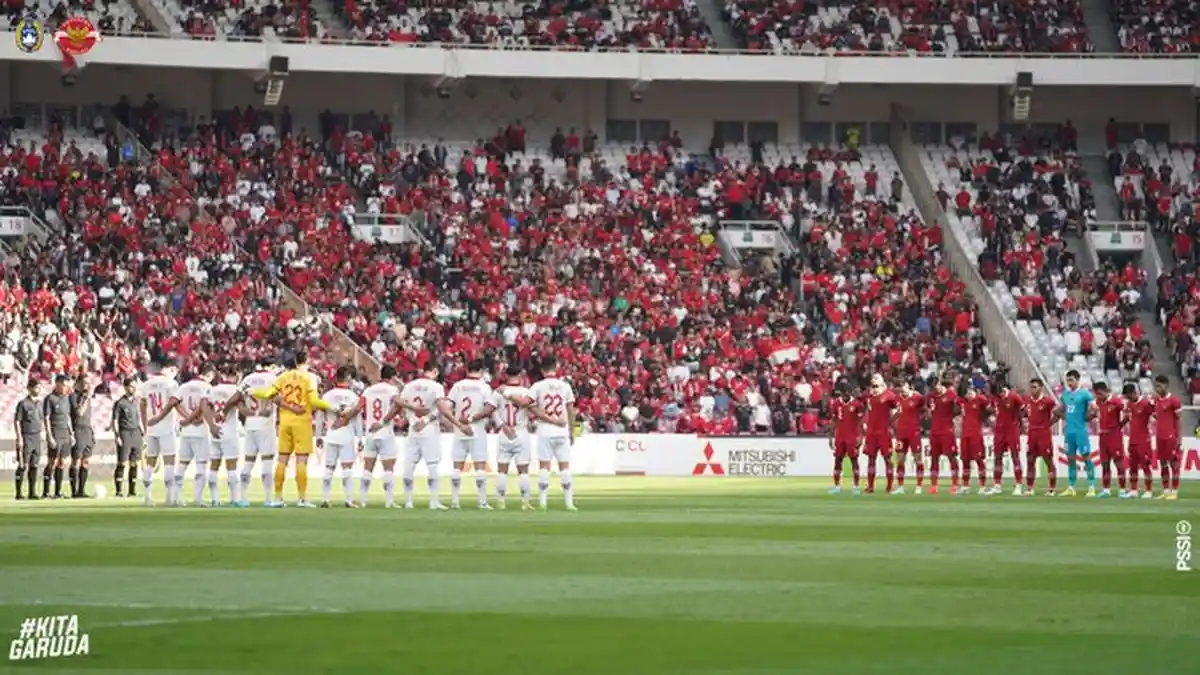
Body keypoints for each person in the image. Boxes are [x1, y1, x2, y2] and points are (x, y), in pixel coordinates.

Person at [250, 351, 336, 508]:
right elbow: (314, 401)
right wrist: (332, 407)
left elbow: (268, 394)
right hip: (302, 421)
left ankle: (277, 498)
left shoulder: (283, 376)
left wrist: (253, 391)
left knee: (282, 460)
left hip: (285, 422)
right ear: (306, 361)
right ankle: (302, 499)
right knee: (301, 460)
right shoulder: (310, 378)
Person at [382, 365, 450, 509]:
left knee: (409, 465)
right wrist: (425, 420)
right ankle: (434, 501)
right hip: (429, 429)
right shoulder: (436, 387)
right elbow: (440, 408)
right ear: (435, 371)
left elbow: (399, 405)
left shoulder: (409, 386)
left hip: (412, 429)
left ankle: (408, 502)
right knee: (432, 465)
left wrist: (386, 421)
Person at [447, 359, 497, 510]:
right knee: (480, 467)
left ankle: (455, 501)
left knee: (457, 467)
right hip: (477, 430)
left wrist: (457, 424)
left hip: (460, 430)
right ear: (481, 371)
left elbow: (447, 407)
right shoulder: (484, 387)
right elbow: (489, 408)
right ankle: (482, 502)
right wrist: (471, 419)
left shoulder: (457, 386)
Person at [528, 356, 576, 511]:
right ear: (556, 368)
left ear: (542, 370)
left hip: (545, 430)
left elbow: (529, 405)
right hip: (562, 430)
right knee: (565, 467)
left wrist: (545, 417)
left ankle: (543, 502)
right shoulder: (565, 386)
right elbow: (571, 410)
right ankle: (569, 503)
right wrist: (571, 431)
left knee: (544, 467)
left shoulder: (537, 386)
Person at [169, 366, 221, 507]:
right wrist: (203, 420)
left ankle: (176, 497)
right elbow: (206, 407)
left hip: (186, 431)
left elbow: (173, 402)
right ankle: (198, 498)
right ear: (209, 375)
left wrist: (187, 417)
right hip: (201, 431)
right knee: (201, 466)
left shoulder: (184, 386)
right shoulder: (207, 387)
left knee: (182, 465)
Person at [357, 365, 400, 507]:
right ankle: (389, 501)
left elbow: (358, 407)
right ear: (392, 377)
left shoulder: (368, 390)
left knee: (367, 469)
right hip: (385, 432)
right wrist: (383, 422)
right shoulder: (392, 389)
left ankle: (363, 500)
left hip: (370, 433)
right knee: (388, 469)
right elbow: (398, 404)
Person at [319, 366, 362, 508]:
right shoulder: (353, 396)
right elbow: (357, 419)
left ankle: (325, 499)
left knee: (329, 468)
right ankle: (348, 500)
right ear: (347, 377)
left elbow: (320, 416)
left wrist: (318, 435)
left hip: (331, 434)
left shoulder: (327, 396)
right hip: (346, 434)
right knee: (347, 468)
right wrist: (360, 437)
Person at [238, 358, 280, 506]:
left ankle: (243, 498)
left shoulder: (247, 379)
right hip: (265, 424)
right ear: (272, 366)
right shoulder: (273, 379)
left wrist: (248, 412)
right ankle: (268, 499)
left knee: (248, 462)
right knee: (267, 461)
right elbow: (276, 400)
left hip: (250, 424)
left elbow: (239, 402)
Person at [141, 361, 181, 506]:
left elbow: (142, 406)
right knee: (169, 462)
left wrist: (146, 426)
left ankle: (147, 497)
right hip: (167, 427)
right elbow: (174, 404)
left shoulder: (146, 384)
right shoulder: (171, 384)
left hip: (151, 429)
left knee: (150, 463)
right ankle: (169, 498)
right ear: (171, 369)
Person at [208, 364, 246, 507]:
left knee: (214, 466)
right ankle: (235, 499)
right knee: (232, 466)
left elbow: (206, 407)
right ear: (236, 375)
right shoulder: (236, 390)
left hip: (215, 431)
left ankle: (215, 499)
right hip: (229, 430)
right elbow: (241, 408)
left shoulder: (213, 390)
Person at [1057, 370, 1097, 497]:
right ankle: (1071, 486)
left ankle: (1091, 486)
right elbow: (1059, 409)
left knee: (1086, 457)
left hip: (1080, 431)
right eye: (1067, 380)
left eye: (1071, 380)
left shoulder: (1085, 394)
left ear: (1078, 380)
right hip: (1069, 432)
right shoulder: (1065, 394)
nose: (1069, 383)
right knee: (1070, 459)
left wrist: (1086, 417)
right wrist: (1065, 417)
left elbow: (1094, 409)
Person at [861, 373, 897, 494]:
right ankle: (870, 486)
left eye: (876, 385)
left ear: (882, 384)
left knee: (887, 459)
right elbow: (867, 410)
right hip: (871, 433)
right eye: (873, 385)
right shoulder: (868, 397)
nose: (874, 388)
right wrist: (865, 422)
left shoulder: (889, 396)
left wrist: (891, 424)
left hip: (884, 432)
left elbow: (897, 410)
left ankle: (890, 486)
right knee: (871, 459)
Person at [109, 377, 144, 499]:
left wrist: (143, 432)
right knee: (122, 462)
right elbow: (114, 420)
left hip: (136, 433)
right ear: (125, 387)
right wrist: (117, 435)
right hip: (125, 433)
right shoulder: (120, 403)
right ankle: (119, 491)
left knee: (134, 463)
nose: (133, 389)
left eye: (134, 386)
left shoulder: (136, 402)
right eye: (130, 386)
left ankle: (132, 491)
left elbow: (139, 418)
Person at [989, 380, 1025, 495]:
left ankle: (1018, 485)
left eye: (1000, 393)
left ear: (1003, 389)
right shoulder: (995, 398)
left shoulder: (1014, 396)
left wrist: (1019, 423)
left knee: (1015, 456)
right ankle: (997, 485)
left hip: (1012, 430)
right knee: (997, 457)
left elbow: (1023, 410)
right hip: (999, 431)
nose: (998, 395)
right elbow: (991, 409)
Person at [1024, 378, 1059, 496]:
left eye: (1034, 387)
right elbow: (1024, 413)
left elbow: (1057, 413)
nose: (1032, 390)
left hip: (1043, 434)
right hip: (1031, 434)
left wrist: (1048, 424)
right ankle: (1030, 488)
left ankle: (1052, 489)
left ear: (1041, 388)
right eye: (1031, 387)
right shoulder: (1028, 400)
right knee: (1030, 460)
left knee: (1048, 460)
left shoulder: (1048, 401)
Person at [828, 382, 863, 495]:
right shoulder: (836, 403)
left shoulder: (857, 404)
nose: (843, 396)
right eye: (842, 394)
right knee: (837, 460)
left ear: (850, 393)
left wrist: (861, 436)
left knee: (854, 461)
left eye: (845, 394)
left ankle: (856, 486)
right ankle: (837, 486)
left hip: (852, 437)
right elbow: (834, 421)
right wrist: (831, 437)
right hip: (840, 436)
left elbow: (860, 423)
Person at [42, 375, 74, 499]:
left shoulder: (66, 398)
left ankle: (58, 492)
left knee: (62, 462)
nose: (66, 388)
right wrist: (49, 436)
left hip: (65, 433)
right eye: (64, 385)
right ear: (58, 384)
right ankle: (46, 492)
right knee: (52, 462)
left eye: (67, 386)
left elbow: (68, 417)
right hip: (55, 432)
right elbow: (46, 418)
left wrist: (71, 433)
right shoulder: (50, 399)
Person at [1092, 382, 1126, 498]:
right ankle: (1106, 489)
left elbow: (1127, 413)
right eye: (1096, 394)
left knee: (1118, 463)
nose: (1098, 396)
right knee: (1105, 463)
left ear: (1106, 391)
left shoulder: (1116, 401)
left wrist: (1119, 426)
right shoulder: (1098, 402)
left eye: (1100, 394)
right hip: (1103, 435)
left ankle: (1122, 490)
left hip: (1114, 436)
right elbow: (1094, 413)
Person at [927, 377, 959, 495]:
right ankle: (934, 486)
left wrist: (950, 418)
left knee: (951, 456)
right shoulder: (930, 397)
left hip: (947, 431)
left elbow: (958, 409)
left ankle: (955, 485)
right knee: (934, 458)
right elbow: (929, 411)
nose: (935, 389)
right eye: (933, 388)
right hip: (934, 431)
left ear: (940, 384)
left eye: (936, 386)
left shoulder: (951, 395)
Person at [1151, 375, 1181, 500]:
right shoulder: (1156, 400)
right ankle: (1165, 491)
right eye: (1156, 386)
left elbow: (1178, 421)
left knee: (1173, 464)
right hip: (1160, 437)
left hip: (1171, 437)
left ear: (1166, 385)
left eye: (1160, 386)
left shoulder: (1174, 401)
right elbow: (1157, 416)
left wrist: (1179, 439)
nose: (1158, 388)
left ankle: (1174, 491)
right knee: (1163, 464)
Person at [1123, 383, 1155, 499]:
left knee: (1145, 465)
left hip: (1143, 440)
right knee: (1132, 466)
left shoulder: (1145, 404)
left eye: (1128, 396)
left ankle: (1148, 490)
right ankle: (1133, 490)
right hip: (1132, 440)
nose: (1128, 399)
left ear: (1133, 393)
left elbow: (1156, 414)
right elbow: (1126, 419)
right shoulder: (1129, 404)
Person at [892, 379, 924, 494]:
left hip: (914, 433)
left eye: (903, 387)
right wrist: (891, 423)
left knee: (918, 459)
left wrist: (919, 423)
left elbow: (925, 410)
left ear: (907, 386)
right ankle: (900, 487)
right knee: (900, 460)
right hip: (901, 433)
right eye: (899, 388)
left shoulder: (917, 397)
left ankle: (919, 486)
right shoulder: (897, 399)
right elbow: (897, 413)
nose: (901, 390)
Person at [13, 379, 43, 500]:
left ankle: (32, 492)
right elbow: (17, 421)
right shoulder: (23, 404)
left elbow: (41, 419)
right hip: (26, 436)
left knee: (34, 465)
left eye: (40, 387)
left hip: (37, 437)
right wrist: (19, 438)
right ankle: (19, 493)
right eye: (36, 387)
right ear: (30, 388)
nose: (39, 390)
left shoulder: (40, 404)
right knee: (23, 465)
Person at [957, 385, 988, 495]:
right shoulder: (962, 402)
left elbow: (989, 405)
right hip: (965, 435)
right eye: (967, 393)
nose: (968, 395)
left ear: (975, 393)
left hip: (976, 435)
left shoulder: (980, 400)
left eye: (971, 393)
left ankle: (982, 486)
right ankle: (965, 486)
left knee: (979, 460)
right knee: (965, 461)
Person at [69, 374, 96, 498]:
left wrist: (92, 432)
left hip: (87, 431)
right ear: (78, 384)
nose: (87, 386)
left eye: (89, 383)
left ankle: (82, 490)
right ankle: (74, 491)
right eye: (85, 383)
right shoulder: (73, 397)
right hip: (78, 430)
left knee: (86, 461)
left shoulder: (88, 398)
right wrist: (85, 398)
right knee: (76, 461)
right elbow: (79, 412)